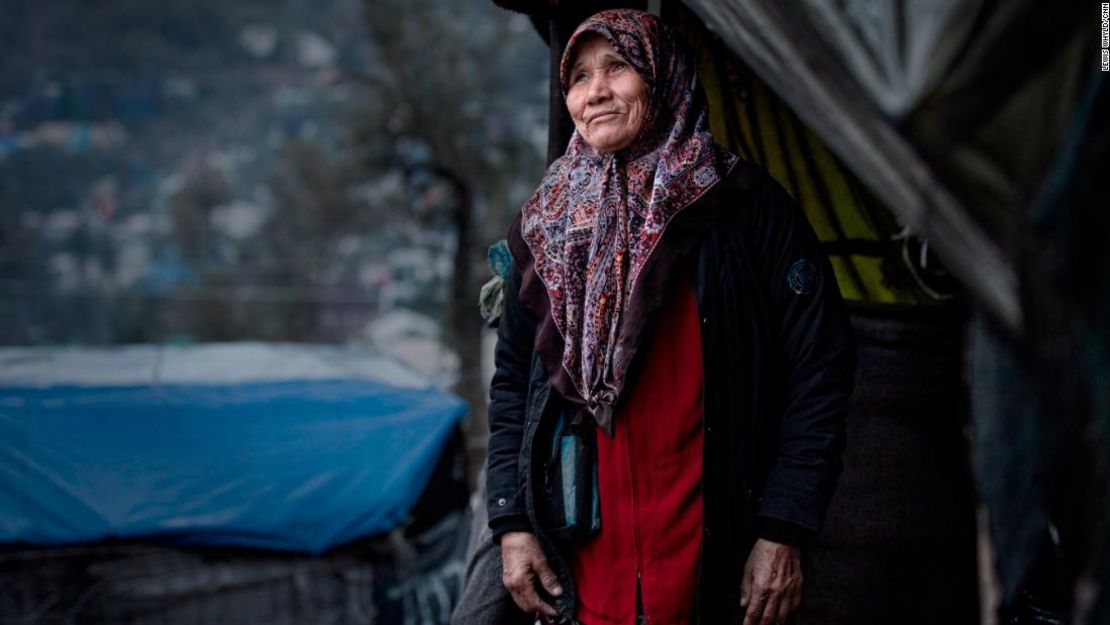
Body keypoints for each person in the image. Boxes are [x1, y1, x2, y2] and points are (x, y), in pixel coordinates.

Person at [484, 9, 855, 625]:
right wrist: (511, 523)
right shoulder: (543, 226)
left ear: (664, 77)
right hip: (588, 558)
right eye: (577, 76)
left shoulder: (743, 207)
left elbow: (821, 370)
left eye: (618, 68)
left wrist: (784, 528)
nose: (595, 90)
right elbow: (511, 387)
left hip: (713, 551)